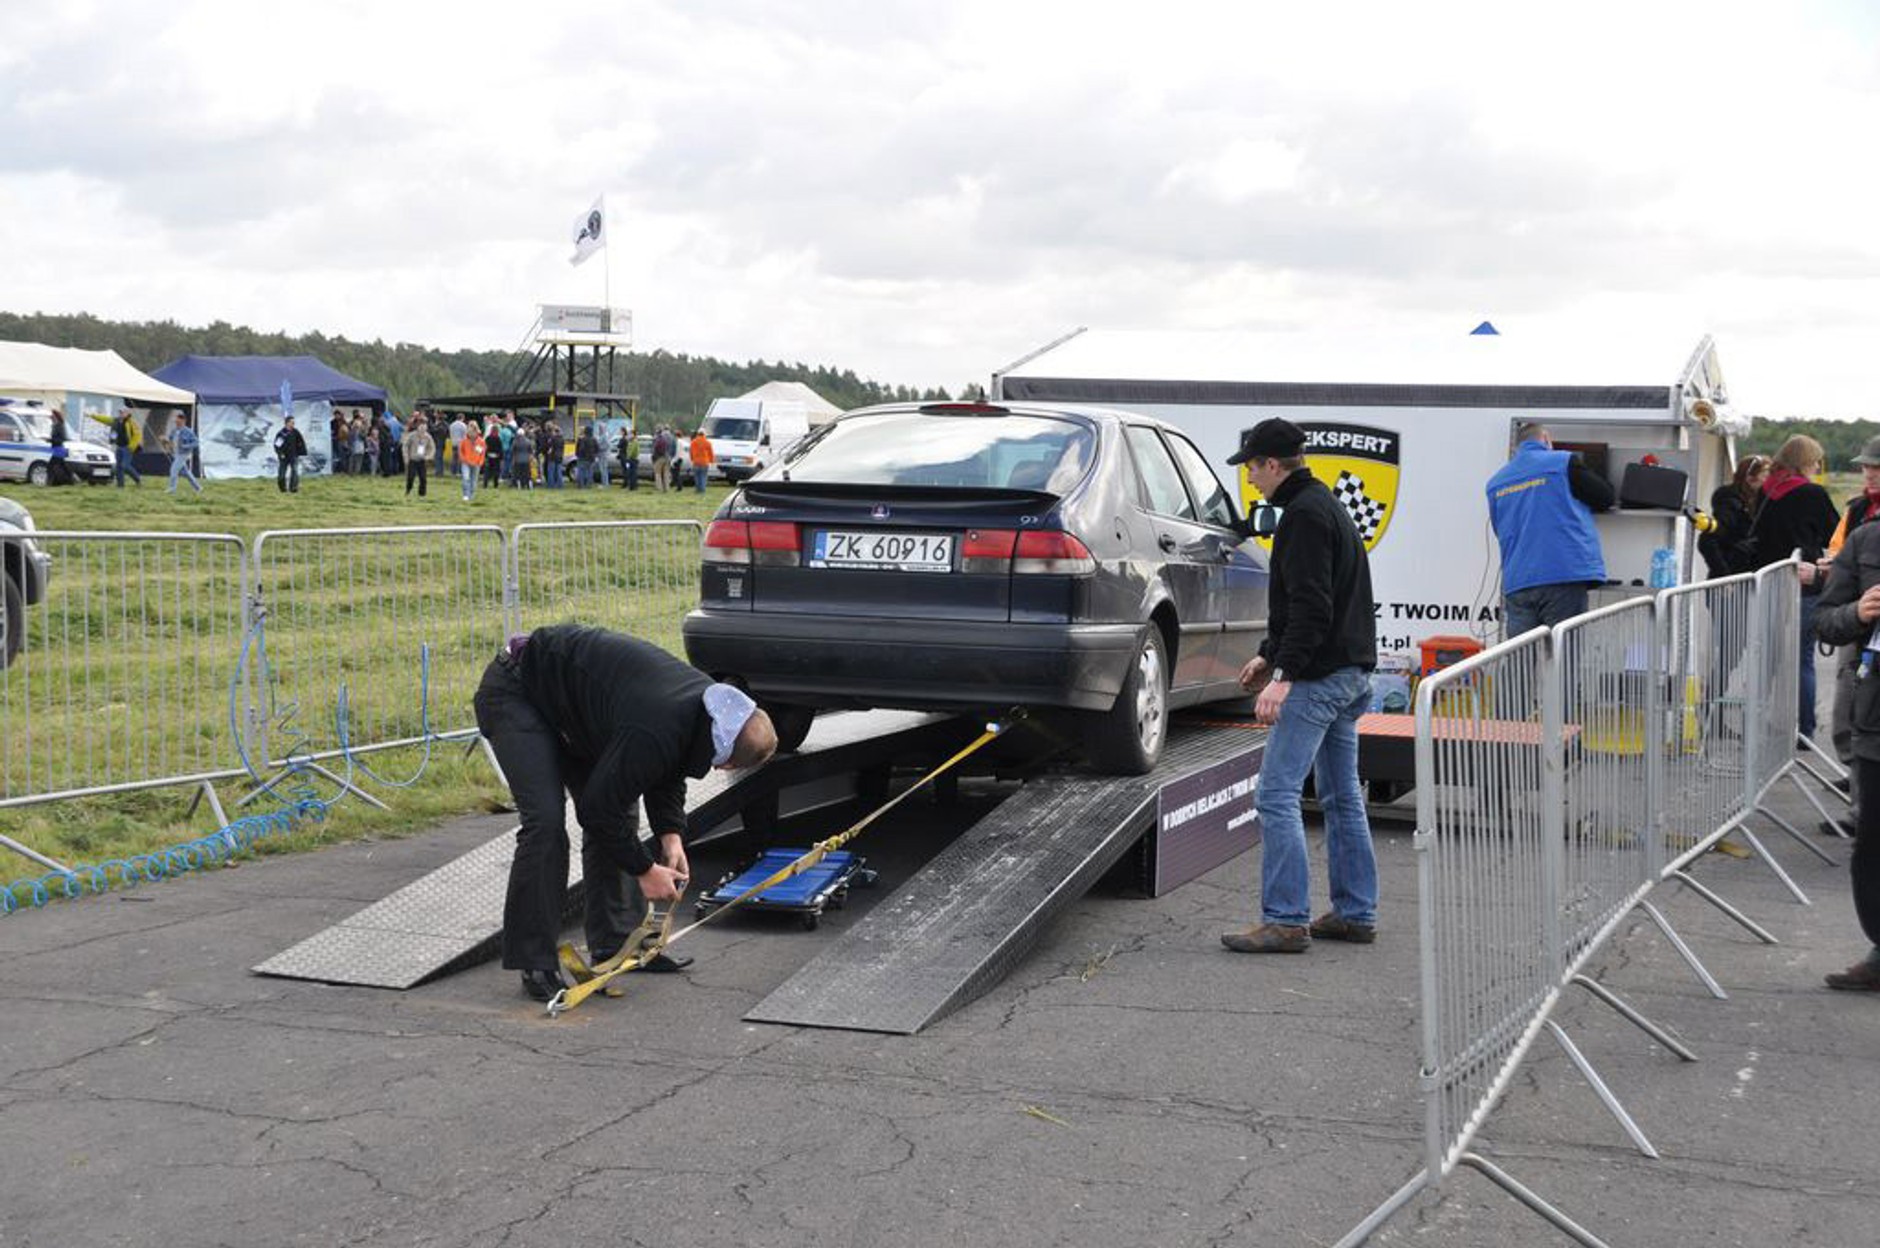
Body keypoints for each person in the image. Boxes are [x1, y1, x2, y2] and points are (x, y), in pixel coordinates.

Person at [473, 625, 780, 1000]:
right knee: (546, 824)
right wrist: (644, 870)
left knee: (620, 810)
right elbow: (599, 809)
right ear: (726, 758)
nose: (718, 771)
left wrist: (672, 836)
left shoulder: (708, 709)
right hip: (518, 691)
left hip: (576, 711)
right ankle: (533, 960)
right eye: (726, 766)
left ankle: (618, 943)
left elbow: (668, 766)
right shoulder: (659, 723)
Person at [1219, 418, 1379, 954]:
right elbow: (1307, 605)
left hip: (1321, 678)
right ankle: (1356, 913)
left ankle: (1286, 920)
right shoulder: (1325, 506)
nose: (1250, 481)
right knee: (1341, 797)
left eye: (1251, 469)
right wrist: (1268, 655)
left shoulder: (1304, 517)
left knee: (1276, 794)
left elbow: (1312, 607)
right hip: (1350, 673)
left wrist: (1283, 677)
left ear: (1270, 463)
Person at [1808, 522, 1880, 991]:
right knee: (1871, 848)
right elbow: (1825, 617)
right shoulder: (1867, 540)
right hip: (1875, 724)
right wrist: (1859, 611)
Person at [1485, 422, 1615, 637]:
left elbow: (1500, 529)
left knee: (1521, 662)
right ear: (1545, 438)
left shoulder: (1496, 482)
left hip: (1518, 581)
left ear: (1517, 447)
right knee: (1566, 657)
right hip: (1562, 575)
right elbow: (1605, 497)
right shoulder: (1562, 462)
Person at [1751, 434, 1839, 741]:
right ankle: (1804, 730)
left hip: (1769, 581)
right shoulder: (1812, 494)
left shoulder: (1767, 489)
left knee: (1768, 656)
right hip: (1805, 582)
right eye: (1815, 461)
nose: (1817, 466)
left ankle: (1758, 722)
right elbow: (1836, 533)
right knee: (1803, 659)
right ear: (1805, 462)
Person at [1698, 454, 1769, 579]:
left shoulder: (1759, 502)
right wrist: (1724, 575)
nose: (1769, 480)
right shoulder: (1730, 504)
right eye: (1766, 476)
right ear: (1750, 478)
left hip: (1747, 576)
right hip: (1730, 579)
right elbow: (1707, 540)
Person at [164, 411, 202, 495]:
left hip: (183, 454)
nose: (177, 423)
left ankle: (172, 489)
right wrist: (165, 441)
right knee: (186, 473)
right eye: (176, 422)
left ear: (183, 421)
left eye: (178, 422)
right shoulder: (174, 431)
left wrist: (185, 446)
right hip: (175, 453)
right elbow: (170, 440)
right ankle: (198, 487)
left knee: (173, 470)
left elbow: (196, 442)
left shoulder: (188, 431)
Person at [273, 414, 308, 493]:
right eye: (292, 422)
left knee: (294, 471)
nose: (293, 424)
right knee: (282, 473)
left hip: (293, 456)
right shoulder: (281, 433)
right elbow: (277, 445)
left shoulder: (296, 432)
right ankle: (283, 489)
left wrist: (300, 452)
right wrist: (280, 453)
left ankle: (293, 488)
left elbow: (301, 442)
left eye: (293, 422)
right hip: (284, 456)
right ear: (287, 423)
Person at [402, 414, 435, 497]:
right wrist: (406, 457)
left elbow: (432, 448)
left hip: (422, 460)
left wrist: (429, 456)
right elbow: (405, 446)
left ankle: (422, 494)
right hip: (412, 460)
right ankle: (408, 490)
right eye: (421, 425)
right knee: (410, 477)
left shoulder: (428, 437)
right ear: (417, 426)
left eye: (424, 425)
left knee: (423, 479)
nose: (423, 427)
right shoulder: (412, 436)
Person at [110, 409, 143, 487]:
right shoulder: (116, 421)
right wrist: (92, 416)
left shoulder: (132, 423)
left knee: (125, 465)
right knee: (118, 467)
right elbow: (104, 419)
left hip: (127, 447)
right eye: (120, 412)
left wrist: (132, 446)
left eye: (122, 412)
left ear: (128, 414)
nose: (120, 414)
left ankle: (138, 479)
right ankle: (120, 485)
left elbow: (138, 435)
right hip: (119, 447)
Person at [46, 408, 74, 486]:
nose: (51, 416)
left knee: (50, 466)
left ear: (56, 416)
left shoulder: (60, 426)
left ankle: (51, 483)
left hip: (59, 448)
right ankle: (69, 481)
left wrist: (50, 440)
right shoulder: (55, 425)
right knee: (63, 467)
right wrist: (50, 440)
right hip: (56, 448)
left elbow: (62, 438)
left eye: (52, 415)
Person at [459, 421, 485, 502]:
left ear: (476, 431)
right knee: (466, 478)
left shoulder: (481, 441)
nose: (470, 434)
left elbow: (482, 453)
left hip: (476, 464)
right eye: (469, 432)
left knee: (474, 481)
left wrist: (480, 462)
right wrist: (463, 459)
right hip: (466, 463)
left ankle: (471, 495)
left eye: (472, 432)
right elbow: (461, 451)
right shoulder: (464, 441)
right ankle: (465, 495)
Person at [689, 427, 715, 493]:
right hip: (705, 462)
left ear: (698, 433)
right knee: (703, 477)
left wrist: (692, 459)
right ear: (704, 434)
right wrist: (711, 461)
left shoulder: (693, 442)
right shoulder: (707, 442)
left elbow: (691, 452)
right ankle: (702, 490)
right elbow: (710, 453)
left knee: (697, 477)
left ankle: (698, 489)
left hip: (696, 462)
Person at [652, 425, 674, 492]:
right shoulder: (671, 437)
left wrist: (654, 457)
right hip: (668, 457)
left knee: (658, 473)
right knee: (666, 473)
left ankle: (659, 488)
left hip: (659, 458)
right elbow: (673, 448)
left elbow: (655, 449)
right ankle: (667, 488)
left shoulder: (658, 439)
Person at [619, 426, 641, 491]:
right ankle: (631, 486)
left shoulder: (634, 442)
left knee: (633, 473)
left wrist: (628, 457)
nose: (629, 435)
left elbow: (632, 450)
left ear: (634, 435)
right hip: (630, 459)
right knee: (630, 473)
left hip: (632, 459)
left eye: (630, 434)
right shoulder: (630, 441)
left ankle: (633, 487)